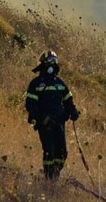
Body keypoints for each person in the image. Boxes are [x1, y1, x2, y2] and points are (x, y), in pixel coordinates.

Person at [25, 49, 80, 180]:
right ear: (43, 64)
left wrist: (73, 111)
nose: (52, 64)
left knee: (62, 153)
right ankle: (49, 178)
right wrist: (42, 119)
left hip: (59, 122)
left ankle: (55, 175)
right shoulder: (36, 84)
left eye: (54, 61)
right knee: (49, 151)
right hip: (45, 123)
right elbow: (30, 105)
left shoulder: (60, 83)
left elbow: (68, 100)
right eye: (49, 61)